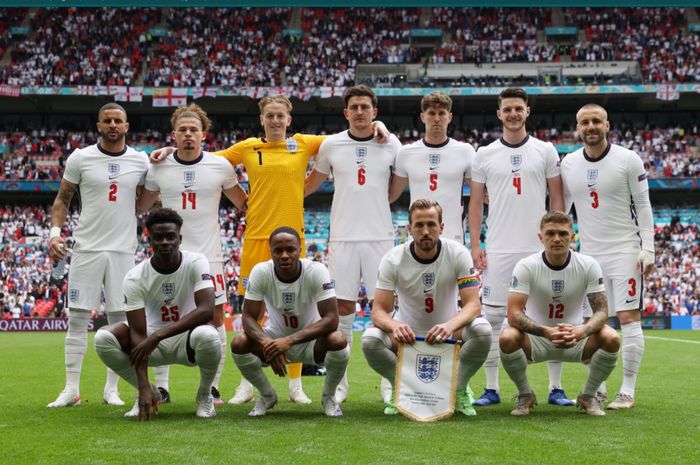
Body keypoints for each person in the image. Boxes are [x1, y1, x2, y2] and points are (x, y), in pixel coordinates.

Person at [153, 94, 388, 405]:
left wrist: (378, 124)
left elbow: (348, 135)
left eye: (280, 116)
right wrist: (170, 150)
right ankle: (246, 385)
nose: (275, 121)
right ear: (261, 119)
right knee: (253, 312)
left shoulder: (304, 144)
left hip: (293, 240)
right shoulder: (247, 148)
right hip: (256, 240)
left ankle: (295, 386)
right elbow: (202, 156)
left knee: (296, 311)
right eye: (269, 116)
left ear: (289, 120)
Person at [137, 103, 247, 406]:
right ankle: (161, 388)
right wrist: (150, 163)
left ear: (203, 134)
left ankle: (211, 387)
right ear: (174, 134)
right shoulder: (158, 166)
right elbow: (142, 205)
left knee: (215, 318)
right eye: (182, 130)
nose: (188, 134)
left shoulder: (220, 166)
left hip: (209, 256)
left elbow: (244, 203)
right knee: (158, 316)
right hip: (168, 258)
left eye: (193, 130)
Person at [468, 87, 569, 407]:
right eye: (507, 109)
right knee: (494, 318)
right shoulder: (484, 154)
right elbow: (474, 204)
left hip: (539, 248)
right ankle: (492, 388)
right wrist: (475, 244)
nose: (513, 114)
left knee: (552, 314)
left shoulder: (545, 150)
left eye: (518, 108)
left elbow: (557, 199)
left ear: (527, 112)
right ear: (499, 114)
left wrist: (561, 238)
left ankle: (555, 388)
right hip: (498, 247)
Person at [47, 103, 150, 408]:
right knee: (77, 318)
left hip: (122, 251)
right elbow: (62, 198)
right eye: (108, 121)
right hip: (87, 248)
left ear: (127, 126)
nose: (113, 125)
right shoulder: (81, 157)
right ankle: (71, 389)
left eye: (118, 120)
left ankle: (111, 390)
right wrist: (55, 233)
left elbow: (148, 200)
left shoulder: (140, 160)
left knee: (119, 321)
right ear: (99, 125)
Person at [305, 85, 402, 402]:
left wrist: (373, 205)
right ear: (345, 113)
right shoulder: (331, 145)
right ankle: (340, 383)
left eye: (365, 106)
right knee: (342, 309)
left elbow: (395, 190)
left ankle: (390, 382)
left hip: (380, 237)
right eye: (354, 107)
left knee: (385, 309)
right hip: (343, 238)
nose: (360, 111)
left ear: (375, 112)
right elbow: (310, 184)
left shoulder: (391, 144)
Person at [561, 103, 655, 409]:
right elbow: (564, 211)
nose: (590, 127)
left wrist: (648, 247)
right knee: (591, 322)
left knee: (628, 318)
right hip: (589, 255)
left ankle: (627, 391)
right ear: (578, 128)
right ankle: (597, 389)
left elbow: (643, 205)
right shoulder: (569, 163)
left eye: (596, 121)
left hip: (625, 250)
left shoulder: (628, 159)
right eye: (584, 122)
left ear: (607, 125)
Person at [361, 199, 491, 415]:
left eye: (431, 224)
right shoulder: (393, 259)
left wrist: (449, 326)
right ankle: (400, 390)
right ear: (409, 228)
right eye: (419, 225)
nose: (425, 231)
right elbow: (378, 311)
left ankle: (457, 390)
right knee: (370, 340)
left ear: (441, 227)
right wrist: (395, 326)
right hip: (408, 337)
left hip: (449, 335)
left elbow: (473, 305)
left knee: (483, 330)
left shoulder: (457, 252)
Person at [94, 208, 221, 420]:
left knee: (209, 335)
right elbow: (137, 331)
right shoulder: (135, 277)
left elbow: (207, 309)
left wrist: (158, 335)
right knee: (103, 339)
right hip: (149, 344)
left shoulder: (196, 261)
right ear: (149, 239)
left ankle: (204, 394)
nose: (165, 242)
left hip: (186, 339)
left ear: (180, 238)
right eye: (158, 237)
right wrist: (143, 385)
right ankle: (149, 392)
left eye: (170, 236)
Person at [499, 211, 620, 416]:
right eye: (550, 233)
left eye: (563, 233)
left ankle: (588, 396)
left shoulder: (588, 265)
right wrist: (546, 331)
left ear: (572, 236)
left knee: (612, 338)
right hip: (537, 338)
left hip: (575, 337)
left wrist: (581, 331)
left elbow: (601, 311)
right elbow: (513, 314)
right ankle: (525, 394)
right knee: (507, 337)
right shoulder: (526, 266)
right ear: (541, 237)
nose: (557, 239)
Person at [231, 227, 349, 417]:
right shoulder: (261, 271)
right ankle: (268, 396)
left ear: (300, 249)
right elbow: (248, 317)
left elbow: (331, 319)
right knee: (239, 342)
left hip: (311, 342)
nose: (284, 255)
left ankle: (329, 397)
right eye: (278, 250)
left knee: (338, 339)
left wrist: (288, 341)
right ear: (270, 251)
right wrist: (268, 343)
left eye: (290, 249)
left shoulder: (316, 270)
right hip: (275, 338)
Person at [389, 91, 475, 244]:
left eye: (442, 113)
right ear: (422, 117)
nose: (436, 119)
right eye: (431, 113)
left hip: (453, 237)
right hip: (418, 239)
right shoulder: (406, 153)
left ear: (449, 117)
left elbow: (480, 195)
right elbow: (391, 196)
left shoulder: (466, 151)